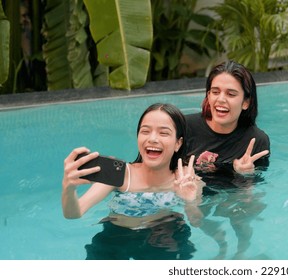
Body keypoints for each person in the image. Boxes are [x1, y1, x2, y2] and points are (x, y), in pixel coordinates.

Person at [61, 103, 204, 260]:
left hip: (163, 235)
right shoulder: (120, 174)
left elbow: (196, 221)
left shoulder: (186, 180)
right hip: (115, 239)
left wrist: (189, 202)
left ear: (178, 143)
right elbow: (73, 214)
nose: (153, 139)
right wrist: (68, 188)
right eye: (145, 131)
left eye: (163, 133)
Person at [184, 60, 270, 259]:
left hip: (231, 193)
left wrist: (246, 176)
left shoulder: (257, 141)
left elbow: (253, 192)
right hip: (194, 193)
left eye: (231, 94)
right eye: (215, 92)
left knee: (242, 214)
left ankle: (242, 250)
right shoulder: (186, 127)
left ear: (246, 102)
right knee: (196, 218)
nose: (220, 99)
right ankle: (221, 245)